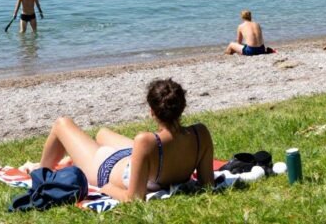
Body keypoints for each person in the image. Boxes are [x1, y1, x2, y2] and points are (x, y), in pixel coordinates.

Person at [36, 79, 214, 202]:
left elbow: (133, 198)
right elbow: (207, 184)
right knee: (102, 134)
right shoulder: (200, 133)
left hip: (106, 169)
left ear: (152, 112)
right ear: (182, 107)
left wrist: (105, 188)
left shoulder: (147, 141)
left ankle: (40, 171)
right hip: (135, 161)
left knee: (62, 124)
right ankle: (73, 158)